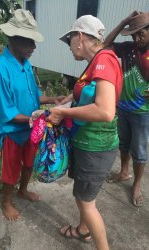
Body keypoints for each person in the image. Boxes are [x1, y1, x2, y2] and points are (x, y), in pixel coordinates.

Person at [47, 15, 123, 250]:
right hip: (88, 143)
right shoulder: (96, 62)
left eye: (69, 40)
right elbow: (87, 92)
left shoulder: (104, 61)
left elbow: (105, 110)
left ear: (79, 37)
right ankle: (83, 230)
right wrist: (65, 102)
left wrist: (64, 113)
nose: (69, 47)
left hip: (96, 146)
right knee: (84, 196)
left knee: (85, 201)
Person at [0, 9, 65, 221]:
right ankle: (6, 201)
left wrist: (52, 100)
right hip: (12, 130)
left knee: (29, 162)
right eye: (29, 42)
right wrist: (40, 116)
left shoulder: (26, 64)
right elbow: (7, 113)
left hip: (31, 127)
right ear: (13, 38)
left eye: (34, 42)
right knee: (10, 169)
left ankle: (22, 190)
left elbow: (33, 96)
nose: (33, 47)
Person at [105, 12, 149, 207]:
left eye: (141, 34)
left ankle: (137, 185)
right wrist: (123, 22)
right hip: (123, 107)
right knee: (123, 144)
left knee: (139, 151)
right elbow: (105, 44)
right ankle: (124, 172)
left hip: (142, 113)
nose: (137, 39)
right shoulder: (127, 48)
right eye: (133, 35)